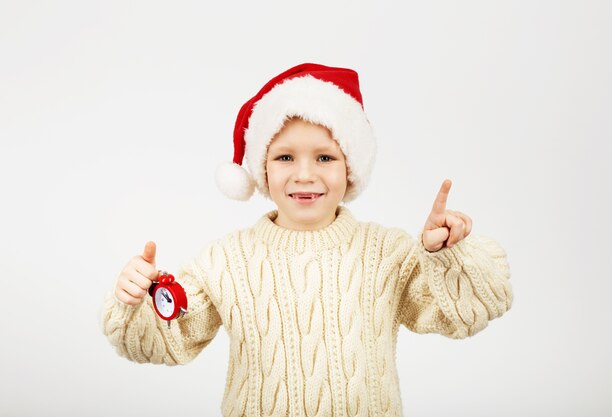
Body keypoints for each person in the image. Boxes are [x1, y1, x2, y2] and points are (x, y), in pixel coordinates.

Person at [101, 63, 513, 417]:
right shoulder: (226, 261)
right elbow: (165, 342)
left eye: (325, 157)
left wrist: (447, 255)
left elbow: (469, 313)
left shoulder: (387, 254)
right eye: (284, 157)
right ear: (261, 168)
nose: (303, 174)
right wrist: (137, 299)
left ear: (350, 167)